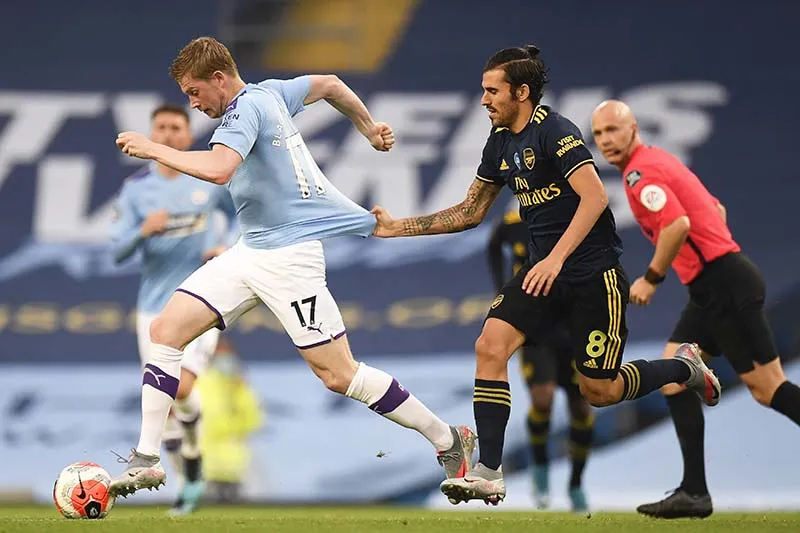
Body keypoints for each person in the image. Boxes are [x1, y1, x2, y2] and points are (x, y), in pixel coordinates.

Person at [109, 36, 474, 498]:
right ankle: (147, 458)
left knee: (339, 375)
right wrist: (367, 127)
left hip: (290, 260)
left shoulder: (244, 109)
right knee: (165, 331)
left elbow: (220, 169)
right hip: (249, 251)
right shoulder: (273, 92)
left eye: (194, 92)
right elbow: (331, 84)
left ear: (219, 79)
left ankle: (448, 438)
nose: (194, 103)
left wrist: (154, 148)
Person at [371, 45, 721, 506]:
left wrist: (556, 258)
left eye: (492, 91)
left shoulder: (556, 131)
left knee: (599, 391)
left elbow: (595, 198)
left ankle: (684, 367)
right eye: (483, 90)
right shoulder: (499, 142)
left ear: (521, 92)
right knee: (490, 346)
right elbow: (470, 212)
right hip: (541, 275)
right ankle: (489, 471)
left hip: (593, 277)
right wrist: (397, 228)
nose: (483, 100)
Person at [591, 99, 800, 519]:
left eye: (613, 129)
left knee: (767, 388)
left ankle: (694, 490)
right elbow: (715, 209)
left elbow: (677, 224)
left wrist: (652, 277)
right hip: (716, 284)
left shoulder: (639, 173)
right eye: (598, 134)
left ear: (634, 129)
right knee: (676, 374)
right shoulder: (660, 161)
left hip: (723, 284)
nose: (605, 140)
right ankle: (694, 492)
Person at [109, 103, 238, 514]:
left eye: (175, 127)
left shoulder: (207, 179)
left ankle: (192, 454)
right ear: (151, 135)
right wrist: (141, 231)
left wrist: (227, 247)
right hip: (153, 307)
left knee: (179, 388)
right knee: (166, 404)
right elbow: (116, 251)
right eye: (160, 127)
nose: (167, 134)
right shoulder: (136, 190)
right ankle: (187, 479)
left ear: (188, 135)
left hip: (202, 298)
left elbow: (242, 215)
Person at [487, 205, 593, 512]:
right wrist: (500, 286)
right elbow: (494, 243)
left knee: (581, 406)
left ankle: (576, 484)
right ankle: (540, 468)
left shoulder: (575, 216)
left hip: (574, 327)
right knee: (542, 398)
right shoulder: (513, 221)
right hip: (534, 326)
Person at [195, 336, 262, 504]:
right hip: (205, 468)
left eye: (226, 354)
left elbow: (254, 420)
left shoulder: (240, 386)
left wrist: (237, 393)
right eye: (219, 354)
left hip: (235, 468)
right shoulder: (200, 382)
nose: (224, 360)